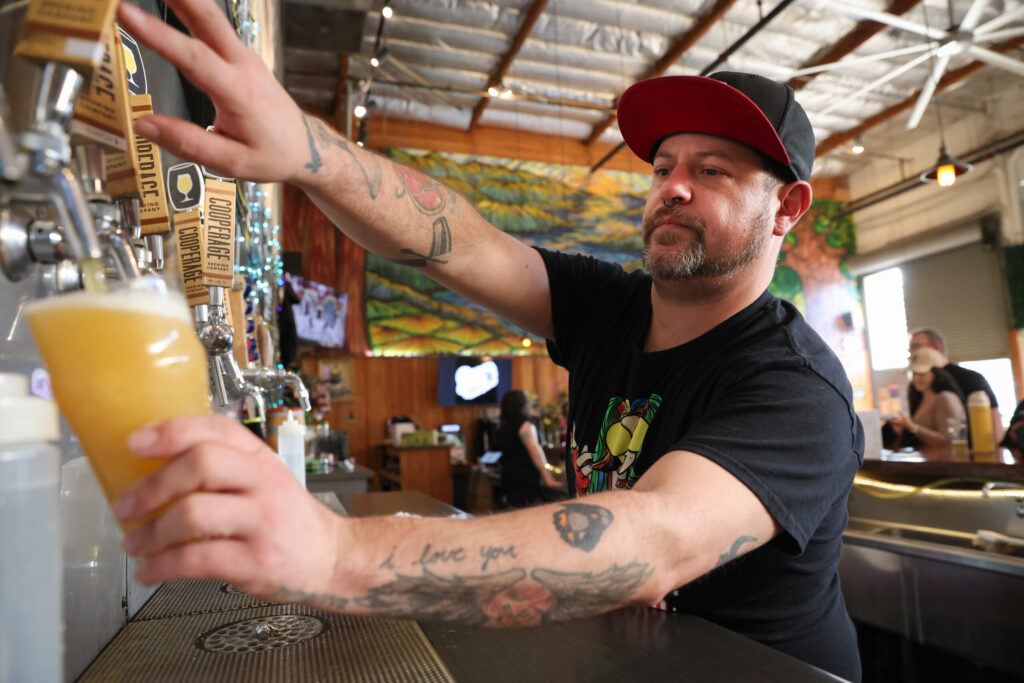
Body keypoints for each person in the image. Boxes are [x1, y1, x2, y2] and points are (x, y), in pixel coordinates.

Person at [111, 2, 864, 679]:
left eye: (712, 170)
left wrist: (339, 553)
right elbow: (462, 245)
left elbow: (653, 540)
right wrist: (310, 155)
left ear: (788, 208)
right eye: (664, 165)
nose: (672, 185)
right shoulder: (612, 308)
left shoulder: (798, 388)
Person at [909, 329, 1003, 446]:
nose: (911, 351)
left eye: (916, 346)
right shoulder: (918, 385)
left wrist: (996, 454)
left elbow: (994, 421)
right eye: (910, 347)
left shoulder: (971, 378)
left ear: (936, 348)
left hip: (971, 453)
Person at [885, 348, 966, 448]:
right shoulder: (919, 398)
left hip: (944, 462)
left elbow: (948, 441)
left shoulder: (945, 398)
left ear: (937, 373)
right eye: (914, 374)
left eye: (921, 374)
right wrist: (902, 431)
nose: (916, 379)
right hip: (927, 460)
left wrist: (912, 427)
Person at [497, 390, 560, 508]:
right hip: (524, 478)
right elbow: (534, 449)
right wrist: (548, 477)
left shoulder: (505, 425)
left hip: (508, 475)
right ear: (523, 404)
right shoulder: (524, 423)